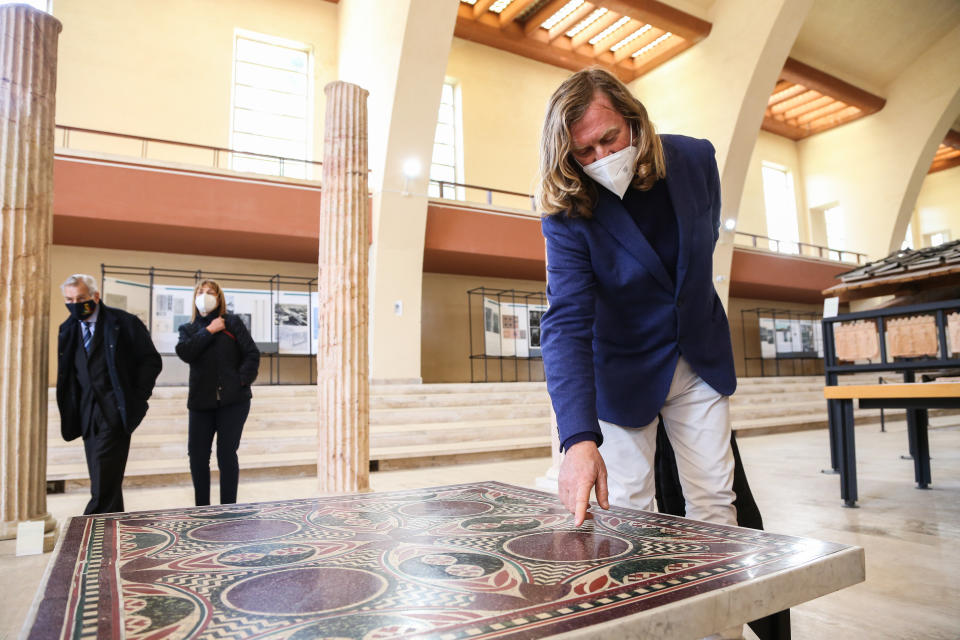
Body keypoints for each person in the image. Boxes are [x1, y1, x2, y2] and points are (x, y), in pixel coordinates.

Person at [538, 67, 747, 640]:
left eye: (611, 138)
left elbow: (701, 246)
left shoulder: (696, 160)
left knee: (714, 497)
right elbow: (567, 324)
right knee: (629, 512)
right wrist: (578, 441)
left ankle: (719, 629)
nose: (603, 155)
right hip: (622, 370)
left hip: (697, 354)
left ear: (634, 120)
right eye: (585, 150)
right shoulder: (568, 213)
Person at [57, 274, 162, 514]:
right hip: (85, 415)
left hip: (115, 412)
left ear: (95, 296)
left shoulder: (124, 323)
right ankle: (113, 532)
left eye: (80, 298)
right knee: (105, 479)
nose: (74, 303)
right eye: (69, 299)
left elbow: (151, 361)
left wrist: (136, 397)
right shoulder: (68, 329)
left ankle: (85, 533)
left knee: (102, 485)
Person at [176, 279, 260, 506]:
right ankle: (202, 508)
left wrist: (241, 381)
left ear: (219, 297)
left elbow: (252, 354)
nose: (205, 295)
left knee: (227, 455)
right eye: (201, 292)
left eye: (210, 292)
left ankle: (228, 507)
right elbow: (185, 352)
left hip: (234, 401)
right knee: (197, 457)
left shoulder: (232, 322)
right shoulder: (189, 329)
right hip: (201, 403)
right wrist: (209, 331)